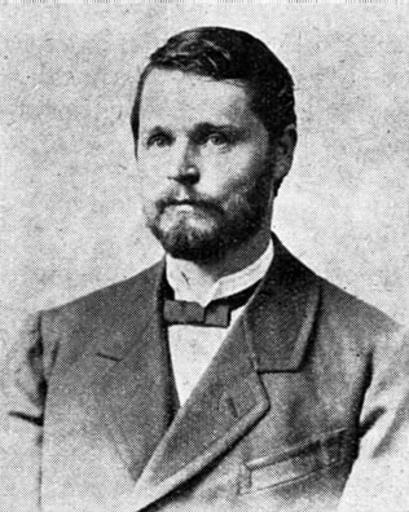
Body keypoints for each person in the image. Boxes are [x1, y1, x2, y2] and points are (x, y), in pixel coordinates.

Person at [1, 26, 408, 512]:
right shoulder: (50, 348)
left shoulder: (378, 359)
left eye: (215, 139)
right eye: (159, 140)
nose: (181, 168)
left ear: (281, 152)